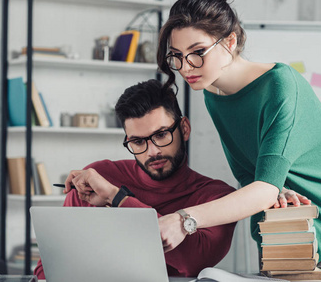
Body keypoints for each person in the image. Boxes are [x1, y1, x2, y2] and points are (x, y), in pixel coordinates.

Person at [155, 0, 321, 269]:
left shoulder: (281, 87)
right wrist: (276, 190)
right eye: (177, 56)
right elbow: (248, 174)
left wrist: (184, 220)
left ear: (229, 42)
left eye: (197, 52)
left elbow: (263, 187)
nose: (186, 67)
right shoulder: (212, 93)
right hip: (281, 215)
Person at [33, 79, 237, 279]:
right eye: (138, 142)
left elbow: (193, 262)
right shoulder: (95, 178)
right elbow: (48, 270)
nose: (152, 151)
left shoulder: (217, 197)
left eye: (161, 135)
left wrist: (117, 198)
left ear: (184, 129)